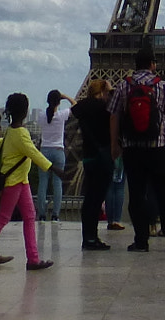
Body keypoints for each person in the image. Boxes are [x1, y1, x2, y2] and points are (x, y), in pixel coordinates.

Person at [110, 41, 165, 252]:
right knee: (164, 195)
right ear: (153, 64)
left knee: (136, 196)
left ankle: (141, 240)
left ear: (136, 64)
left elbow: (114, 116)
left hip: (133, 149)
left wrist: (115, 144)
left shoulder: (124, 85)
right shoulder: (162, 85)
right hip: (158, 148)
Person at [0, 92, 52, 271]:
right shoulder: (22, 133)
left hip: (20, 181)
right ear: (25, 112)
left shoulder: (12, 131)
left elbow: (4, 145)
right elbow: (34, 153)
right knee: (3, 218)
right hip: (14, 182)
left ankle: (33, 258)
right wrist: (54, 169)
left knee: (29, 216)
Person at [70, 77, 115, 251]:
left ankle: (87, 237)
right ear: (103, 92)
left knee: (89, 199)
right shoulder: (104, 107)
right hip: (102, 156)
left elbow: (75, 110)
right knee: (97, 199)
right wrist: (110, 92)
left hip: (88, 156)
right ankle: (92, 237)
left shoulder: (82, 107)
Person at [35, 89, 70, 224]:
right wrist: (65, 96)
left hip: (44, 151)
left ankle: (42, 215)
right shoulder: (62, 115)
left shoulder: (42, 115)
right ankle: (55, 215)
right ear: (58, 102)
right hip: (58, 150)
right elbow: (76, 104)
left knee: (42, 183)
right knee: (57, 184)